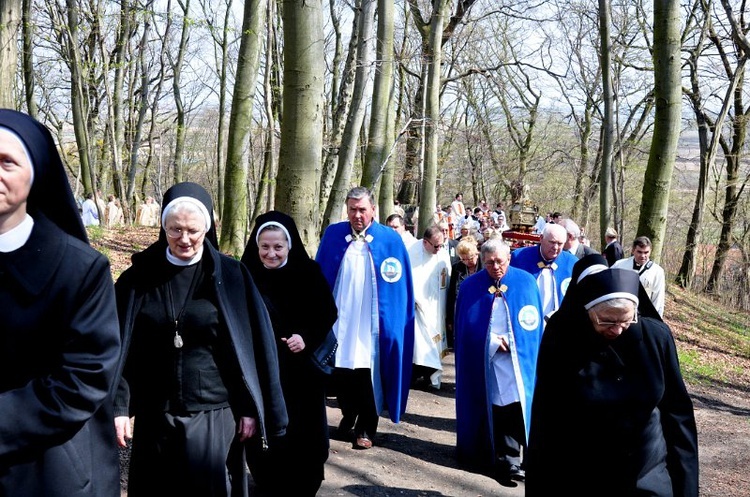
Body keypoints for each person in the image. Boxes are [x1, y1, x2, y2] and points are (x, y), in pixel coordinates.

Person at [113, 182, 287, 496]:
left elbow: (251, 348)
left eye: (193, 230)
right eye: (174, 229)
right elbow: (121, 348)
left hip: (214, 413)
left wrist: (250, 407)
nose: (184, 239)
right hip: (156, 414)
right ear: (163, 227)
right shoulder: (137, 279)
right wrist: (119, 406)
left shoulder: (232, 276)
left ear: (206, 228)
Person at [0, 109, 121, 495]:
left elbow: (83, 379)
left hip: (44, 468)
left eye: (7, 162)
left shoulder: (79, 269)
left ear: (35, 172)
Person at [525, 256, 698, 497]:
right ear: (587, 311)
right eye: (606, 320)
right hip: (582, 472)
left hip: (646, 473)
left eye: (626, 320)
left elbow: (678, 414)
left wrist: (687, 487)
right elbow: (547, 414)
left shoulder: (656, 337)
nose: (617, 329)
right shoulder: (563, 336)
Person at [241, 211, 338, 496]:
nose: (271, 253)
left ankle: (305, 481)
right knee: (266, 431)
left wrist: (305, 337)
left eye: (278, 247)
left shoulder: (309, 272)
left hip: (301, 370)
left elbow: (327, 312)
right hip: (261, 369)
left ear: (289, 245)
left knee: (303, 432)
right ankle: (267, 478)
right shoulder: (245, 275)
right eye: (265, 247)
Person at [316, 186, 415, 450]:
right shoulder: (334, 234)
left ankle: (366, 427)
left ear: (373, 210)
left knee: (367, 372)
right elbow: (320, 275)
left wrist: (394, 323)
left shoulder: (389, 240)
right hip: (341, 317)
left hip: (372, 321)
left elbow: (400, 287)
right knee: (343, 370)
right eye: (352, 209)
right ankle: (348, 414)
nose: (357, 215)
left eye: (362, 209)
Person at [454, 238, 544, 485]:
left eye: (500, 261)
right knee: (498, 408)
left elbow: (532, 324)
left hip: (519, 361)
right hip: (489, 362)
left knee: (519, 407)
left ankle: (520, 459)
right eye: (489, 262)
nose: (495, 267)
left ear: (509, 259)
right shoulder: (471, 286)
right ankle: (506, 460)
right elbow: (466, 328)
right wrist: (492, 341)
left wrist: (515, 343)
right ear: (482, 261)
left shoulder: (526, 283)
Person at [408, 224, 451, 389]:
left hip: (438, 309)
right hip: (417, 308)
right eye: (436, 245)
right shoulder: (411, 252)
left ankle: (429, 375)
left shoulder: (442, 254)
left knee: (434, 344)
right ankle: (415, 374)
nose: (439, 249)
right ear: (425, 242)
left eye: (442, 245)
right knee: (418, 345)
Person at [509, 223, 577, 320]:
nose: (556, 247)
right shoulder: (519, 257)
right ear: (541, 238)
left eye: (560, 244)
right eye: (552, 242)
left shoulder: (572, 263)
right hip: (525, 318)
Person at [612, 235, 666, 316]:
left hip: (643, 315)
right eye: (639, 252)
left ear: (650, 251)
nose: (643, 256)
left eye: (646, 252)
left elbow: (658, 300)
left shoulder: (657, 272)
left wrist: (655, 320)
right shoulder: (619, 265)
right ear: (633, 250)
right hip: (620, 313)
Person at [445, 237, 482, 350]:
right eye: (463, 259)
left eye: (470, 259)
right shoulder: (457, 268)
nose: (467, 262)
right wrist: (450, 319)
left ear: (476, 254)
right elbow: (451, 294)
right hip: (462, 310)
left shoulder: (485, 266)